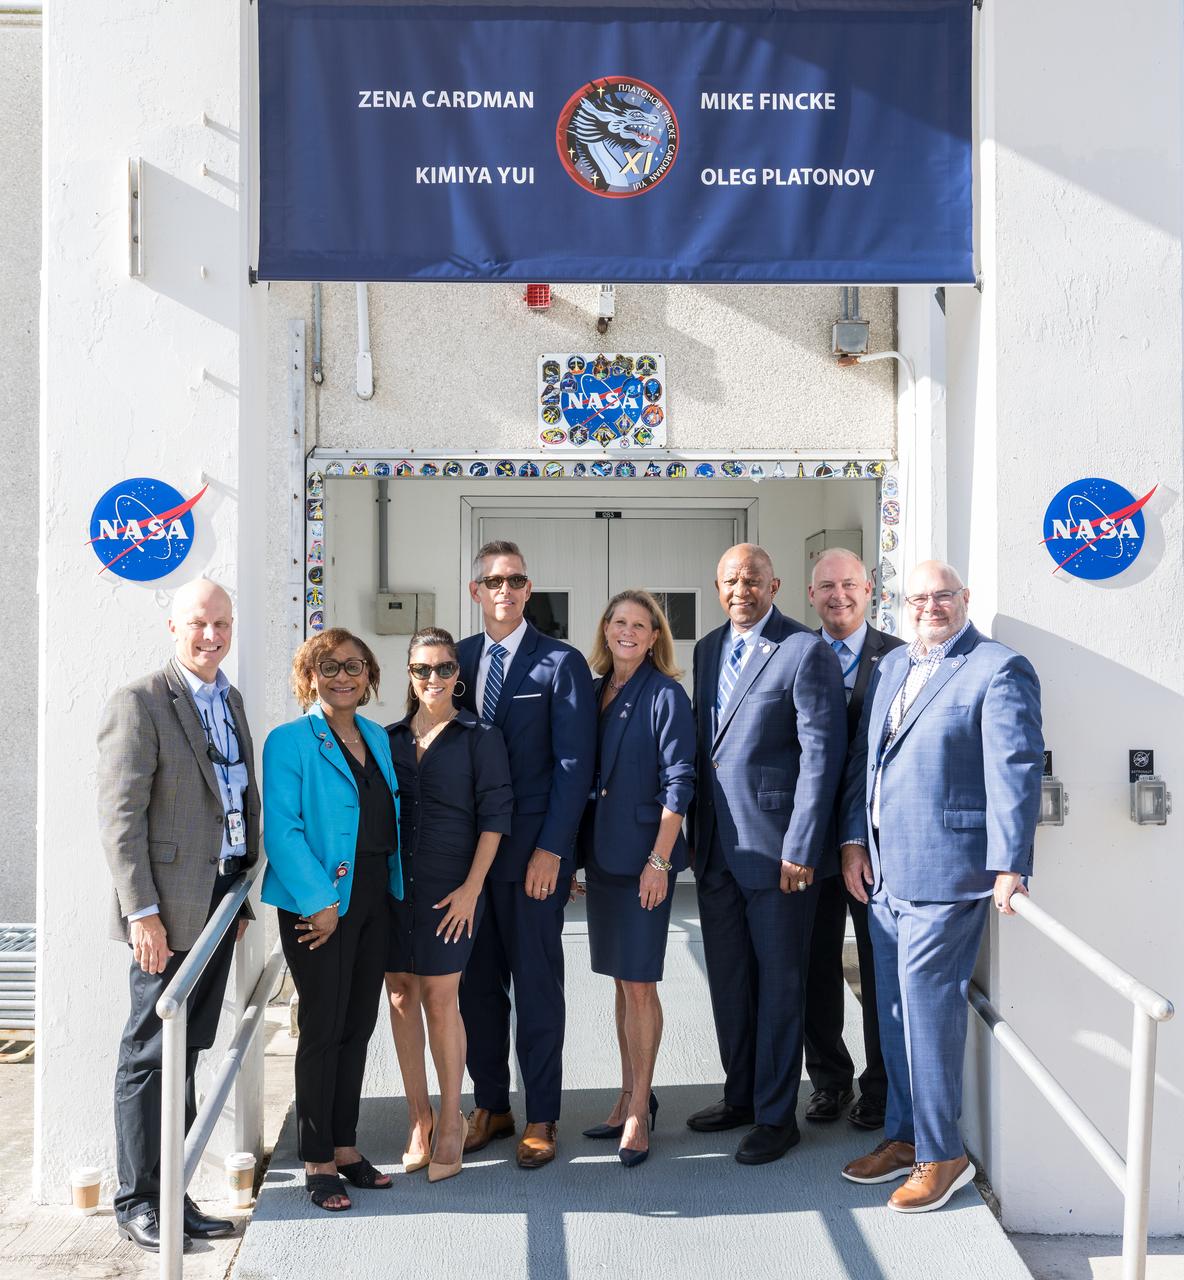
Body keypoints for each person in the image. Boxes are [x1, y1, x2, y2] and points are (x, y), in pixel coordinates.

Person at [838, 561, 1042, 1213]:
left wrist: (1011, 864)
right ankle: (903, 1135)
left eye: (942, 596)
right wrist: (853, 841)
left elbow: (1014, 769)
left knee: (928, 1011)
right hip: (883, 873)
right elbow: (867, 762)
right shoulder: (896, 665)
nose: (931, 606)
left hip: (949, 872)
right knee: (893, 1012)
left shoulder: (997, 668)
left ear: (965, 599)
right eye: (919, 598)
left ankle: (942, 1153)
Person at [99, 577, 258, 1253]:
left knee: (187, 1050)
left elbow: (236, 796)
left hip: (220, 903)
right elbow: (120, 817)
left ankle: (174, 1191)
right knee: (149, 1051)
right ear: (174, 626)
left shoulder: (231, 698)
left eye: (221, 623)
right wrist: (142, 913)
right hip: (165, 913)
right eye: (199, 623)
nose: (212, 635)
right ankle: (137, 1200)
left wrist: (242, 895)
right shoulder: (140, 701)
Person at [687, 544, 848, 1164]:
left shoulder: (805, 650)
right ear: (717, 584)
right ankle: (743, 1096)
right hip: (717, 852)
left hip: (782, 855)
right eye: (730, 580)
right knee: (730, 982)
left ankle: (779, 1118)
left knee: (781, 986)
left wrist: (804, 845)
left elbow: (821, 757)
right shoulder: (705, 650)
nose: (740, 589)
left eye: (752, 579)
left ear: (773, 584)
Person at [456, 540, 596, 1170]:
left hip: (533, 860)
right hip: (468, 866)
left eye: (514, 580)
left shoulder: (559, 665)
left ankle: (541, 1114)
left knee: (537, 989)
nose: (504, 590)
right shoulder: (454, 662)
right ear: (476, 592)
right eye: (492, 581)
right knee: (477, 990)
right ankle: (493, 1104)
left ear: (527, 588)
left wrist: (554, 852)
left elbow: (573, 768)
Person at [261, 629, 403, 1212]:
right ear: (309, 675)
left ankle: (345, 1145)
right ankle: (316, 1157)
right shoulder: (289, 741)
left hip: (375, 897)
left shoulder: (376, 736)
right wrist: (321, 901)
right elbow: (283, 830)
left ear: (369, 674)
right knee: (323, 1029)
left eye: (354, 666)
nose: (343, 676)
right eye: (329, 666)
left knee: (357, 1027)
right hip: (319, 905)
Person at [385, 627, 513, 1183]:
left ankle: (454, 1120)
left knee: (441, 998)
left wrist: (471, 889)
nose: (432, 679)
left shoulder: (480, 737)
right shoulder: (384, 738)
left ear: (458, 675)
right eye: (422, 670)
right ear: (409, 676)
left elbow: (496, 819)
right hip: (392, 889)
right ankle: (420, 1117)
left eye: (443, 669)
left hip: (452, 890)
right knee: (398, 994)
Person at [579, 591, 696, 1167]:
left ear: (655, 637)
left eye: (640, 625)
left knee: (641, 983)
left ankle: (640, 1111)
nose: (628, 632)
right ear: (606, 629)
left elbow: (680, 784)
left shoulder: (665, 695)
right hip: (603, 860)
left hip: (645, 861)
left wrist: (660, 860)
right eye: (619, 622)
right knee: (620, 983)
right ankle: (627, 1095)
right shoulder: (597, 689)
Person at [802, 549, 904, 1130]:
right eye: (826, 586)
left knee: (877, 967)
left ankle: (880, 1088)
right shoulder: (797, 654)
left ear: (869, 589)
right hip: (812, 846)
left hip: (877, 847)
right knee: (814, 966)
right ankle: (829, 1080)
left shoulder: (899, 656)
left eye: (849, 584)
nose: (838, 595)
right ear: (810, 595)